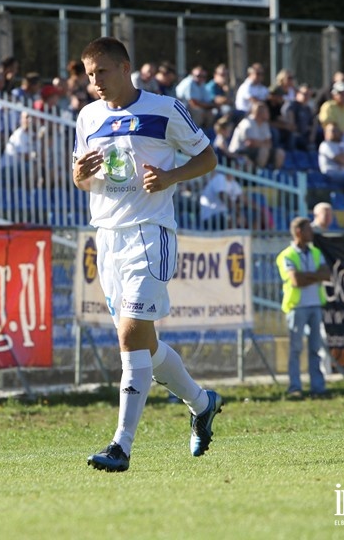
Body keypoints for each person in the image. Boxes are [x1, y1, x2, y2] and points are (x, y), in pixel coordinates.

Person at [73, 37, 222, 473]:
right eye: (89, 74)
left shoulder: (164, 108)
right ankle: (201, 402)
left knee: (130, 335)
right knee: (146, 346)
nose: (95, 82)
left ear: (124, 67)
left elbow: (208, 157)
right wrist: (80, 176)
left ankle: (121, 446)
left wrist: (171, 175)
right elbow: (81, 178)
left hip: (148, 233)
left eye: (102, 71)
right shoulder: (87, 116)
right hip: (107, 237)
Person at [276, 217, 331, 400]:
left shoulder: (315, 251)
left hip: (314, 305)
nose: (312, 233)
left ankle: (318, 387)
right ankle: (295, 387)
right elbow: (296, 281)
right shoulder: (287, 255)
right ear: (299, 232)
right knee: (295, 350)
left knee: (316, 348)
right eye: (308, 230)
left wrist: (307, 275)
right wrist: (315, 276)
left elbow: (327, 274)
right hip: (297, 307)